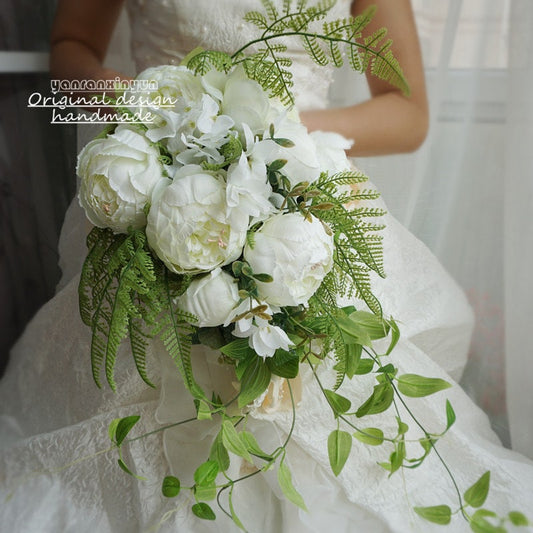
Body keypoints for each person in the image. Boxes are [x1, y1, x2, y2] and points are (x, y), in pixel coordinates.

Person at [1, 1, 532, 532]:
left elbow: (407, 112)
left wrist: (274, 138)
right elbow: (72, 54)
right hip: (162, 190)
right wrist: (156, 116)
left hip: (307, 193)